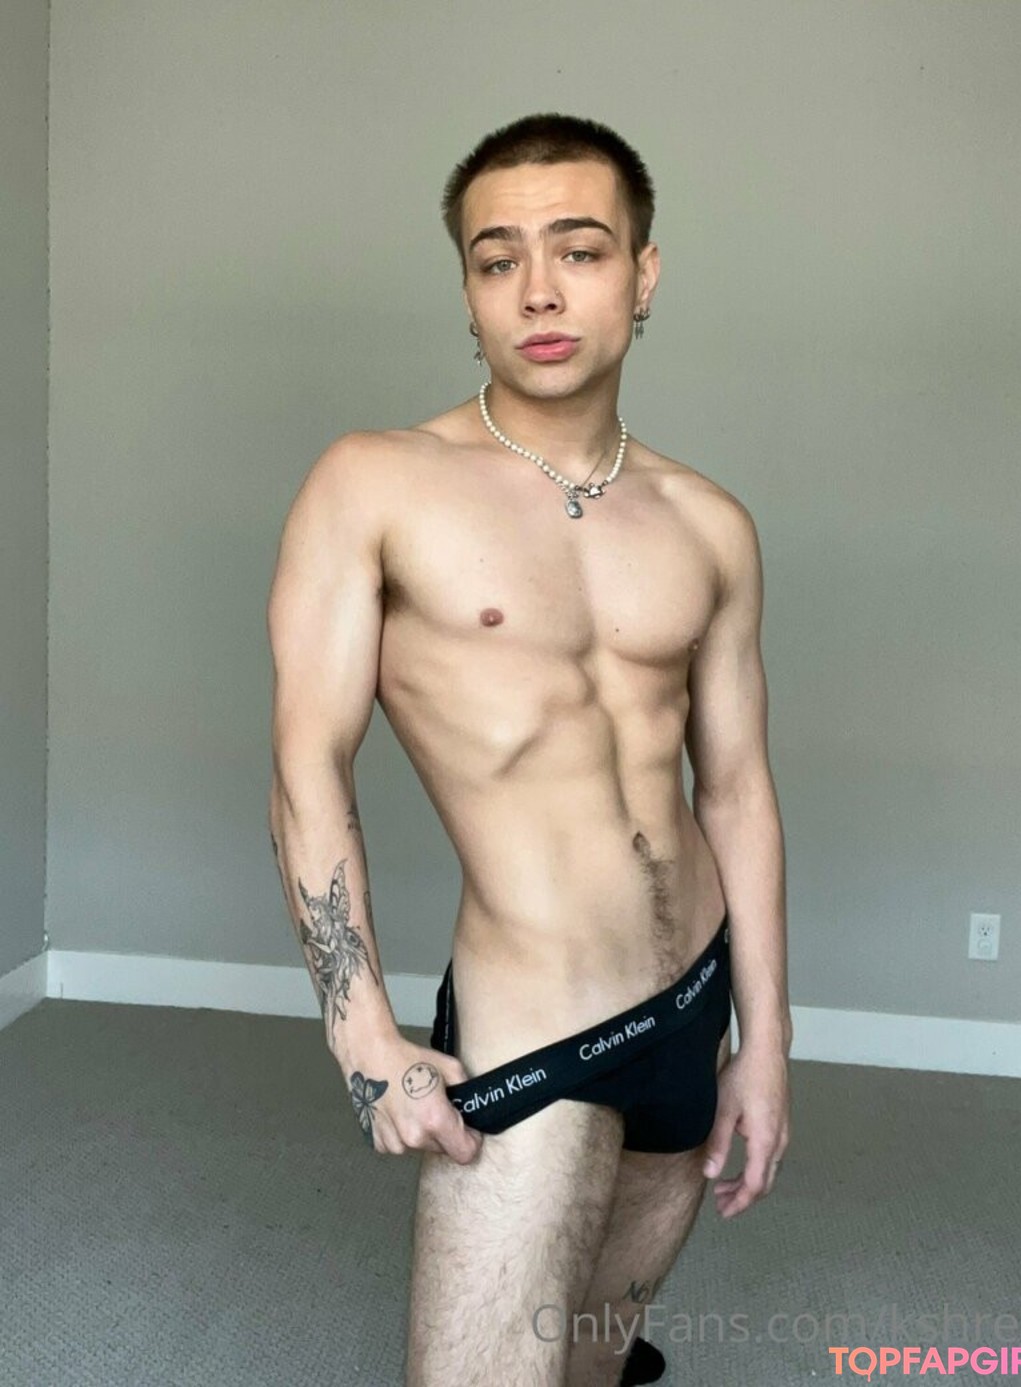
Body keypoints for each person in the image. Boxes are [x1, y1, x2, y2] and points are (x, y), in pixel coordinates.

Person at [267, 112, 792, 1387]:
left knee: (593, 1361)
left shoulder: (710, 523)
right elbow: (305, 768)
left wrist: (767, 1040)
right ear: (467, 291)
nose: (538, 290)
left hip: (693, 1002)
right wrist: (361, 1034)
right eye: (497, 258)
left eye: (580, 249)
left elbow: (734, 790)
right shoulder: (375, 484)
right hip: (534, 1023)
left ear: (643, 275)